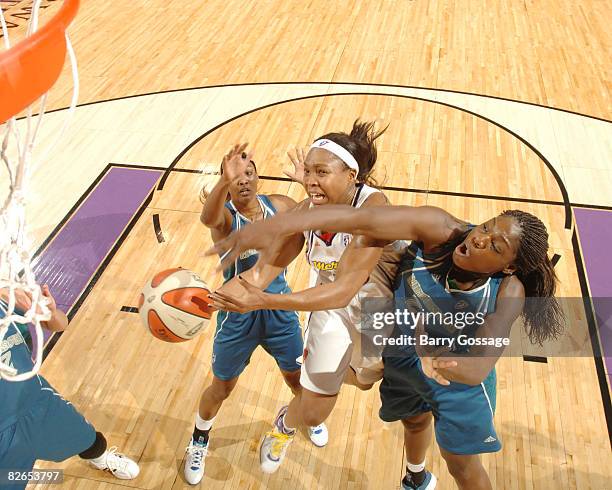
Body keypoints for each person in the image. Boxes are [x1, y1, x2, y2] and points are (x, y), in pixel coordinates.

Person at [207, 204, 563, 490]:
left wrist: (427, 351)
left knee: (463, 468)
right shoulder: (440, 228)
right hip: (404, 350)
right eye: (487, 226)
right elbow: (361, 217)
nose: (481, 238)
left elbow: (476, 369)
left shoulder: (509, 293)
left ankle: (414, 477)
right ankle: (415, 476)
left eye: (495, 246)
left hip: (458, 378)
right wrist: (277, 227)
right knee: (411, 419)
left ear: (508, 266)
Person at [209, 120, 408, 474]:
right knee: (314, 411)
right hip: (328, 310)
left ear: (352, 176)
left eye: (321, 172)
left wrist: (266, 300)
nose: (310, 179)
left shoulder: (376, 209)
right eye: (308, 171)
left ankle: (322, 377)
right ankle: (285, 425)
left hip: (377, 310)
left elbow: (346, 288)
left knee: (364, 383)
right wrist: (204, 300)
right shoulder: (307, 212)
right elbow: (260, 273)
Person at [183, 144, 326, 486]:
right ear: (226, 182)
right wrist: (222, 183)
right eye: (235, 176)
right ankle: (199, 439)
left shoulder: (279, 205)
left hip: (278, 309)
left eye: (249, 173)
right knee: (222, 387)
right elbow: (208, 217)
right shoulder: (227, 218)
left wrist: (310, 184)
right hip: (237, 314)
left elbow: (313, 214)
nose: (244, 180)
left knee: (297, 379)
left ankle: (307, 416)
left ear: (258, 176)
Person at [0, 285, 140, 490]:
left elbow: (59, 324)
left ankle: (102, 459)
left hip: (36, 399)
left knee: (90, 440)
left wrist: (49, 310)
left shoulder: (8, 296)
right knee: (9, 480)